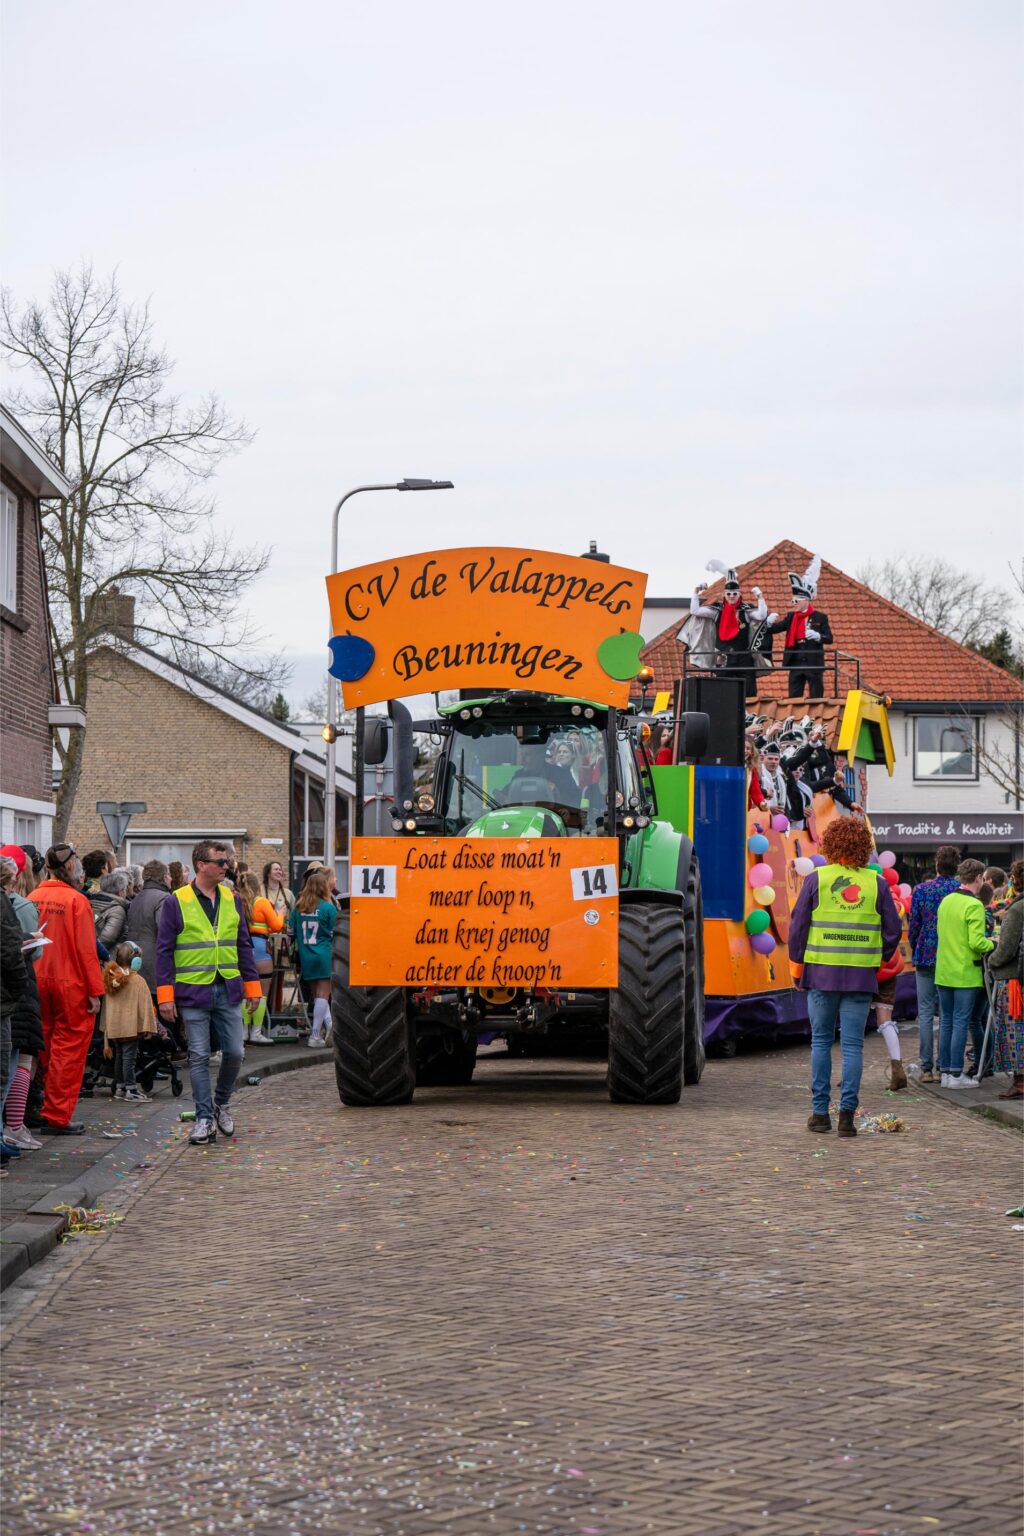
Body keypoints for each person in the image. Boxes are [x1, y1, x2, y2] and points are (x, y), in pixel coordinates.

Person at [789, 816, 902, 1136]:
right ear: (864, 847)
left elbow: (798, 926)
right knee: (853, 1046)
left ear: (830, 844)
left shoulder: (817, 878)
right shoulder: (876, 883)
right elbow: (893, 931)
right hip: (859, 977)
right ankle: (847, 1118)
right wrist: (876, 958)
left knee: (821, 1042)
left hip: (820, 974)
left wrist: (798, 965)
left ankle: (820, 1113)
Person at [155, 839, 263, 1145]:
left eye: (227, 862)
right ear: (202, 865)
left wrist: (253, 987)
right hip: (192, 991)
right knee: (199, 1055)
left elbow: (243, 946)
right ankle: (203, 1118)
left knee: (236, 1052)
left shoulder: (232, 899)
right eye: (221, 862)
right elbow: (164, 952)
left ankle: (221, 1102)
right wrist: (165, 996)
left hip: (227, 987)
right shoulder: (176, 901)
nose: (227, 866)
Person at [30, 844, 105, 1134]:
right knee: (69, 1050)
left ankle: (43, 1105)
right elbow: (86, 950)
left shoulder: (33, 896)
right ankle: (57, 1115)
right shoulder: (76, 901)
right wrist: (94, 991)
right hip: (70, 983)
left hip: (38, 980)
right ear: (71, 866)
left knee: (44, 1047)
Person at [935, 859, 996, 1089]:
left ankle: (945, 1074)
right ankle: (956, 1074)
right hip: (964, 972)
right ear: (979, 877)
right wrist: (994, 943)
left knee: (947, 1022)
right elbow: (977, 943)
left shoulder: (946, 901)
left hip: (944, 971)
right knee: (961, 1022)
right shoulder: (974, 905)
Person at [907, 845, 960, 1080]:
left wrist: (914, 946)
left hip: (926, 954)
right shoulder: (961, 891)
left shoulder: (921, 890)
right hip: (951, 956)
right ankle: (944, 1065)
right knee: (948, 1014)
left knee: (926, 1012)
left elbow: (914, 925)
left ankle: (926, 1068)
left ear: (937, 865)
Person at [690, 562, 768, 701]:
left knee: (748, 692)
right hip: (724, 658)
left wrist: (760, 596)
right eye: (729, 594)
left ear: (739, 594)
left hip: (743, 657)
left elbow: (762, 615)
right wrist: (696, 592)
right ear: (724, 594)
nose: (732, 596)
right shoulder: (717, 611)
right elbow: (695, 611)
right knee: (723, 692)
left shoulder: (746, 610)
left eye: (734, 593)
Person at [765, 554, 833, 699]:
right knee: (794, 697)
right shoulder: (791, 617)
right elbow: (775, 629)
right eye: (793, 600)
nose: (793, 603)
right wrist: (767, 622)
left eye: (797, 600)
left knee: (816, 696)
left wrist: (817, 636)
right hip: (795, 662)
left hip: (813, 663)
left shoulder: (820, 617)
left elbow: (829, 638)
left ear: (806, 600)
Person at [101, 940, 159, 1102]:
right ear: (136, 961)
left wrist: (105, 1027)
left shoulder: (110, 979)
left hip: (114, 1028)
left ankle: (120, 1087)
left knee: (119, 1056)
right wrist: (148, 1027)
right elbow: (146, 1005)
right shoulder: (138, 981)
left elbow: (107, 1006)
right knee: (129, 1059)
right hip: (131, 1028)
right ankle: (131, 1089)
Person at [988, 858, 1023, 1099]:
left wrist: (992, 960)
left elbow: (1007, 948)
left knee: (1015, 1032)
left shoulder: (1016, 909)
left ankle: (1020, 1081)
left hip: (1014, 980)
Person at [289, 869, 336, 1048]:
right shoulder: (328, 908)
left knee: (317, 996)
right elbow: (334, 933)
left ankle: (330, 1025)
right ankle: (315, 1035)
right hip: (324, 953)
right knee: (324, 995)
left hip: (306, 954)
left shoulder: (299, 907)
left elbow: (290, 931)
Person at [240, 872, 284, 1044]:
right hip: (260, 949)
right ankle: (256, 1033)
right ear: (257, 886)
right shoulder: (262, 902)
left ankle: (243, 1032)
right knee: (261, 994)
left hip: (243, 950)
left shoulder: (238, 902)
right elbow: (277, 926)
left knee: (245, 994)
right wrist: (280, 913)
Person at [125, 859, 172, 997]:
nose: (171, 878)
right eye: (168, 874)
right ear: (163, 877)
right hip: (154, 963)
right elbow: (165, 931)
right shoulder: (164, 898)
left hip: (134, 959)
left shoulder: (136, 898)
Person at [90, 868, 131, 949]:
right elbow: (106, 940)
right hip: (106, 957)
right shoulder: (117, 910)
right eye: (125, 889)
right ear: (121, 891)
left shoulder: (90, 901)